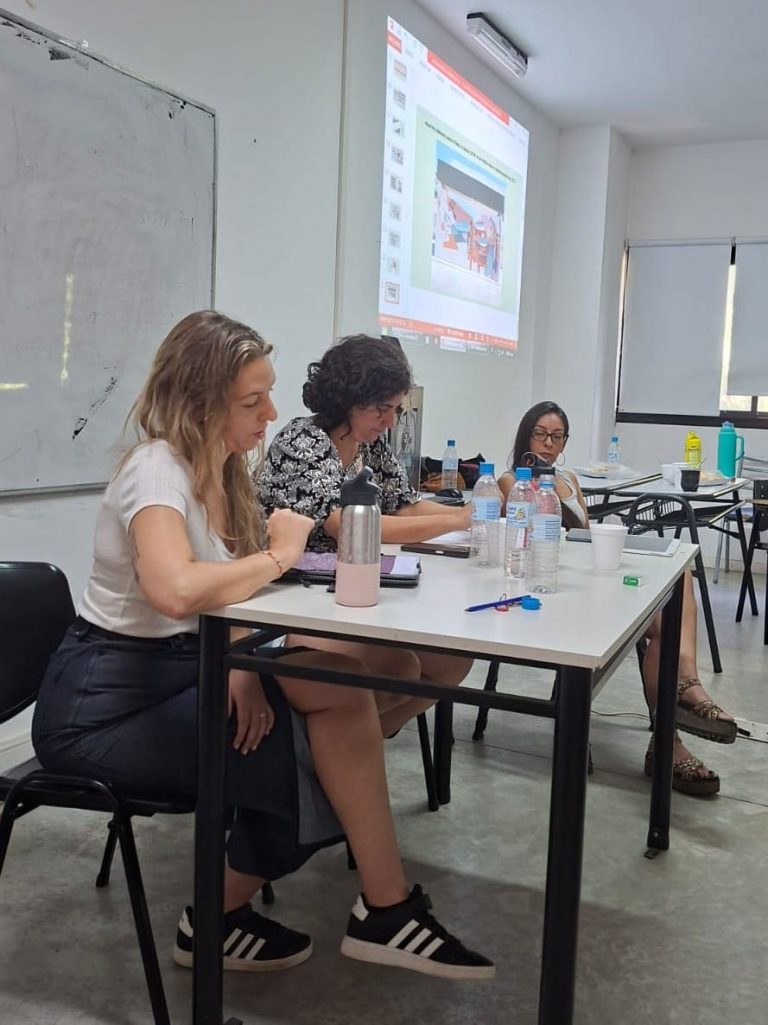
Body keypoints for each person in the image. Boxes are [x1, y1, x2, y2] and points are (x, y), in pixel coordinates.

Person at [31, 311, 493, 980]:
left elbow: (227, 597)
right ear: (199, 401)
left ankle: (376, 910)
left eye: (268, 395)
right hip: (107, 707)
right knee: (310, 749)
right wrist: (279, 555)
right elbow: (176, 589)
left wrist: (244, 666)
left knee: (339, 688)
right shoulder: (156, 471)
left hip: (189, 669)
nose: (271, 413)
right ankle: (227, 917)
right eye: (253, 401)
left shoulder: (221, 472)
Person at [498, 400, 737, 797]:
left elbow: (585, 537)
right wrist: (541, 482)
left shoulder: (570, 479)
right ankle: (672, 734)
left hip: (587, 578)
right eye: (540, 434)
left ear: (565, 443)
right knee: (662, 619)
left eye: (556, 437)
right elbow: (540, 530)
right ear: (526, 436)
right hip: (548, 587)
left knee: (679, 583)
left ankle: (681, 696)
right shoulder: (511, 481)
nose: (548, 444)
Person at [259, 334, 474, 738]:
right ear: (350, 399)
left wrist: (472, 517)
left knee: (452, 662)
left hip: (359, 591)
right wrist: (457, 521)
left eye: (395, 409)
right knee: (401, 667)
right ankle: (324, 746)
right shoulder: (301, 441)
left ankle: (354, 741)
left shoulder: (368, 445)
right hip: (300, 599)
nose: (390, 421)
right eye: (382, 409)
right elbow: (350, 527)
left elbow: (404, 505)